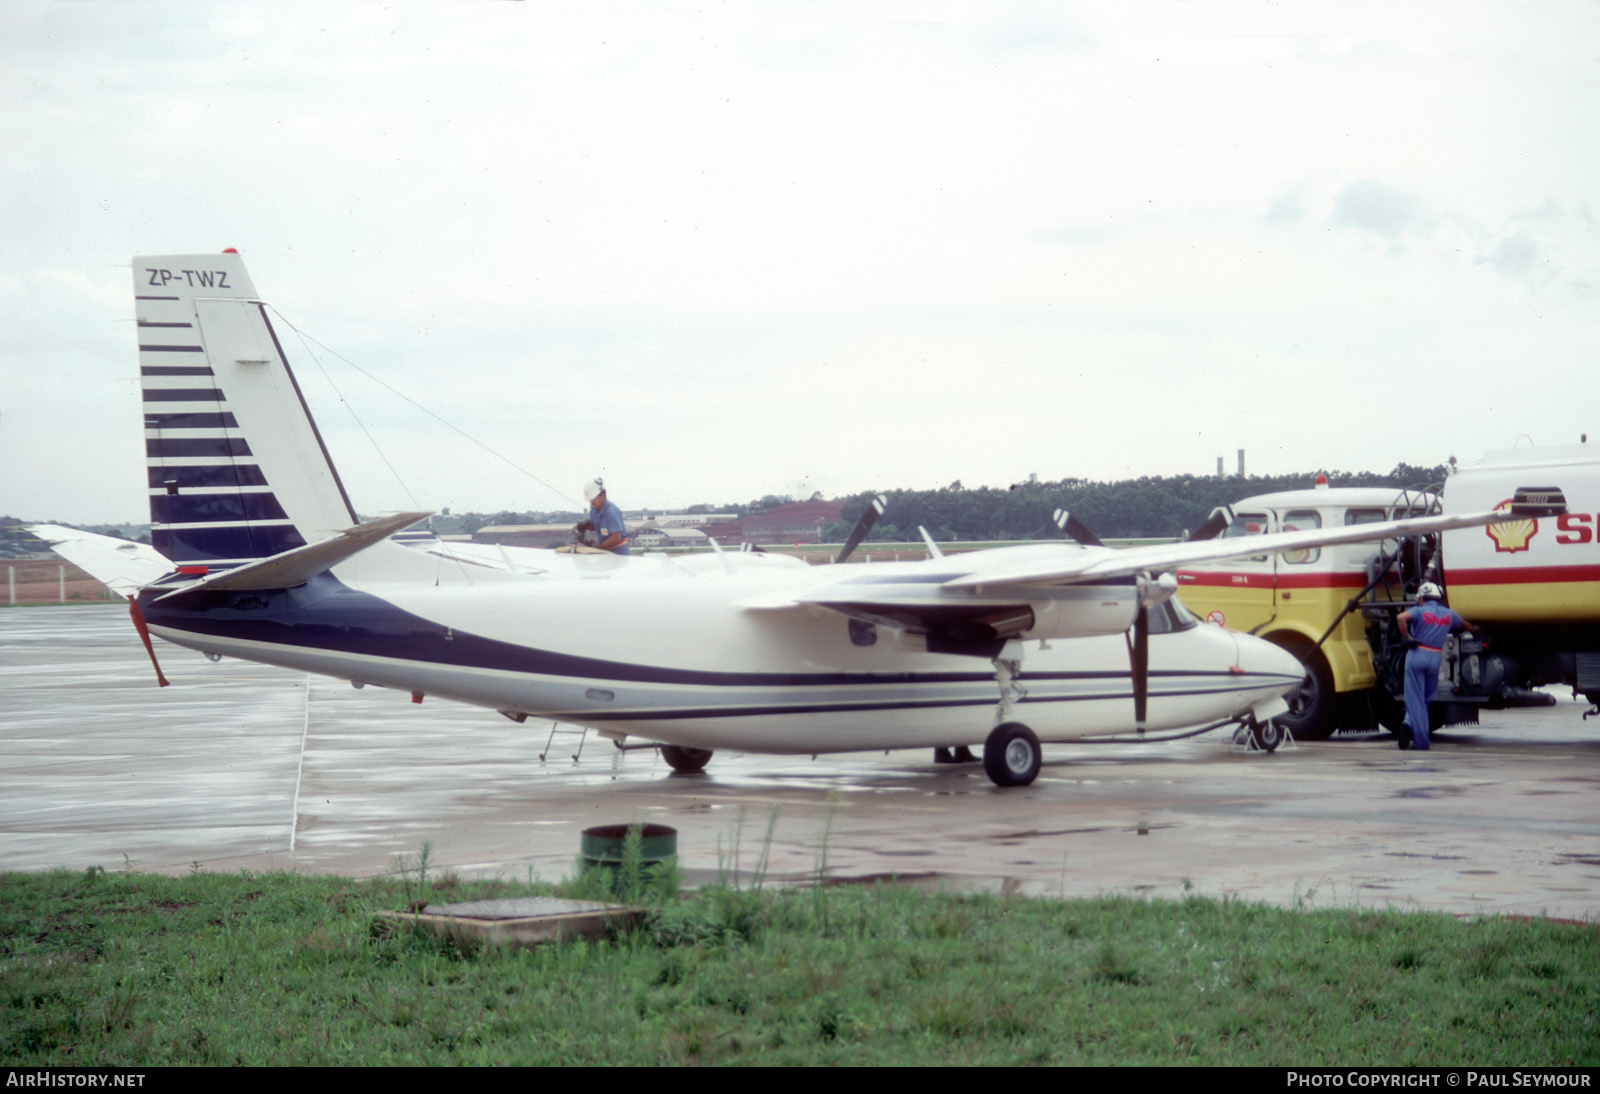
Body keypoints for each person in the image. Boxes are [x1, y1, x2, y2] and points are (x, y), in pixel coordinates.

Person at [1394, 582, 1473, 751]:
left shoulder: (1419, 610)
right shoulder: (1448, 614)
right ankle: (1407, 724)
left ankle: (1421, 742)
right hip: (1435, 657)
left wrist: (1406, 637)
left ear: (1422, 598)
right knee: (1426, 699)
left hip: (1417, 654)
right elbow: (1467, 626)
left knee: (1415, 700)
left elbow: (1400, 618)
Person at [578, 478, 630, 555]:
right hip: (605, 551)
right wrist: (587, 525)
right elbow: (595, 526)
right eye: (590, 499)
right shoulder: (594, 508)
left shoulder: (611, 511)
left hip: (619, 553)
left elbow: (616, 538)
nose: (591, 502)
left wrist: (597, 547)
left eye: (593, 498)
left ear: (603, 495)